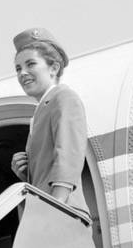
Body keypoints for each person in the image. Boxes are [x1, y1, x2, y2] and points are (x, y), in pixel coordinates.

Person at [10, 28, 89, 213]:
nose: (23, 73)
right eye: (18, 68)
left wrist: (55, 208)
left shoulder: (63, 98)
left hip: (62, 212)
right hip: (47, 211)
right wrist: (26, 172)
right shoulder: (41, 110)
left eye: (31, 64)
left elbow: (68, 157)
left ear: (53, 68)